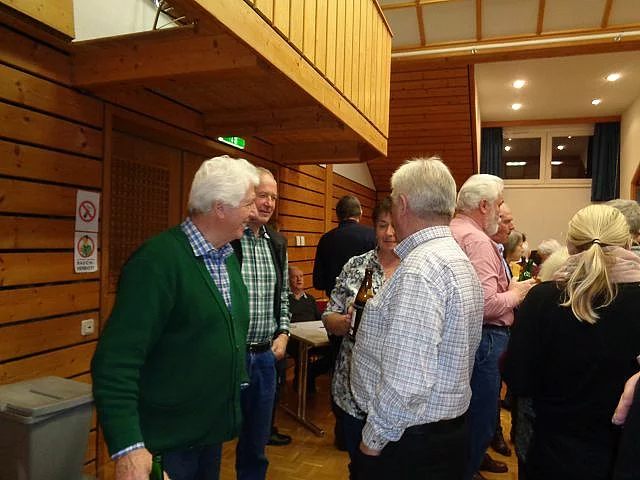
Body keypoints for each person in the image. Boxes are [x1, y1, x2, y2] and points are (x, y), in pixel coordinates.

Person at [91, 156, 260, 480]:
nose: (254, 212)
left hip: (207, 437)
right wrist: (128, 446)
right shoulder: (157, 262)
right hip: (166, 446)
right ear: (220, 207)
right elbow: (115, 362)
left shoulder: (226, 259)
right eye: (248, 203)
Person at [350, 157, 485, 480]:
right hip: (442, 434)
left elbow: (407, 382)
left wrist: (371, 442)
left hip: (409, 442)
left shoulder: (420, 268)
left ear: (402, 204)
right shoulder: (456, 258)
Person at [503, 204, 640, 480]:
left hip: (554, 450)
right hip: (624, 453)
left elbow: (518, 379)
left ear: (570, 246)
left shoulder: (542, 299)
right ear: (628, 243)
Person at [449, 174, 536, 480]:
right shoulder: (477, 240)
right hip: (486, 338)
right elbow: (486, 306)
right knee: (481, 417)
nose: (500, 213)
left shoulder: (453, 230)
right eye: (499, 205)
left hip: (468, 337)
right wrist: (517, 294)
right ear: (484, 205)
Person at [322, 196, 400, 478]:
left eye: (394, 225)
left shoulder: (415, 269)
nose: (389, 232)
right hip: (353, 389)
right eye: (382, 225)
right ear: (373, 227)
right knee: (359, 466)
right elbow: (329, 316)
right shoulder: (356, 266)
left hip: (397, 393)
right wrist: (343, 323)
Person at [230, 167, 290, 480]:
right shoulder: (229, 240)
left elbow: (284, 296)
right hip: (232, 356)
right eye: (262, 195)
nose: (268, 203)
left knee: (256, 443)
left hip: (266, 358)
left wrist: (284, 333)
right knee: (211, 438)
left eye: (274, 198)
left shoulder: (277, 244)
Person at [312, 194, 376, 449]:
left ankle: (343, 432)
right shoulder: (372, 236)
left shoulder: (327, 239)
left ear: (338, 215)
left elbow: (318, 281)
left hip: (336, 316)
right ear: (359, 213)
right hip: (367, 323)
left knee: (338, 367)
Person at [286, 265, 330, 395]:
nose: (299, 279)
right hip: (293, 339)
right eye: (295, 277)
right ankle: (304, 388)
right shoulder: (285, 300)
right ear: (288, 280)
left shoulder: (310, 299)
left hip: (312, 337)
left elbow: (320, 318)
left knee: (333, 351)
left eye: (301, 276)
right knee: (302, 352)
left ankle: (310, 374)